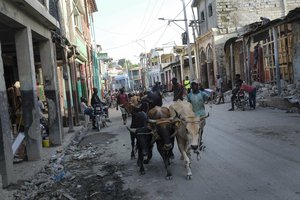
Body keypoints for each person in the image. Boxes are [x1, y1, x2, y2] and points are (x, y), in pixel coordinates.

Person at [187, 81, 209, 150]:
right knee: (195, 129)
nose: (193, 87)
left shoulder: (202, 94)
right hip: (193, 115)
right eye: (192, 86)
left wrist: (211, 97)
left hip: (202, 114)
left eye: (195, 86)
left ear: (197, 86)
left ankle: (200, 139)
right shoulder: (189, 95)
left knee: (201, 129)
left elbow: (208, 98)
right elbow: (188, 104)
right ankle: (196, 141)